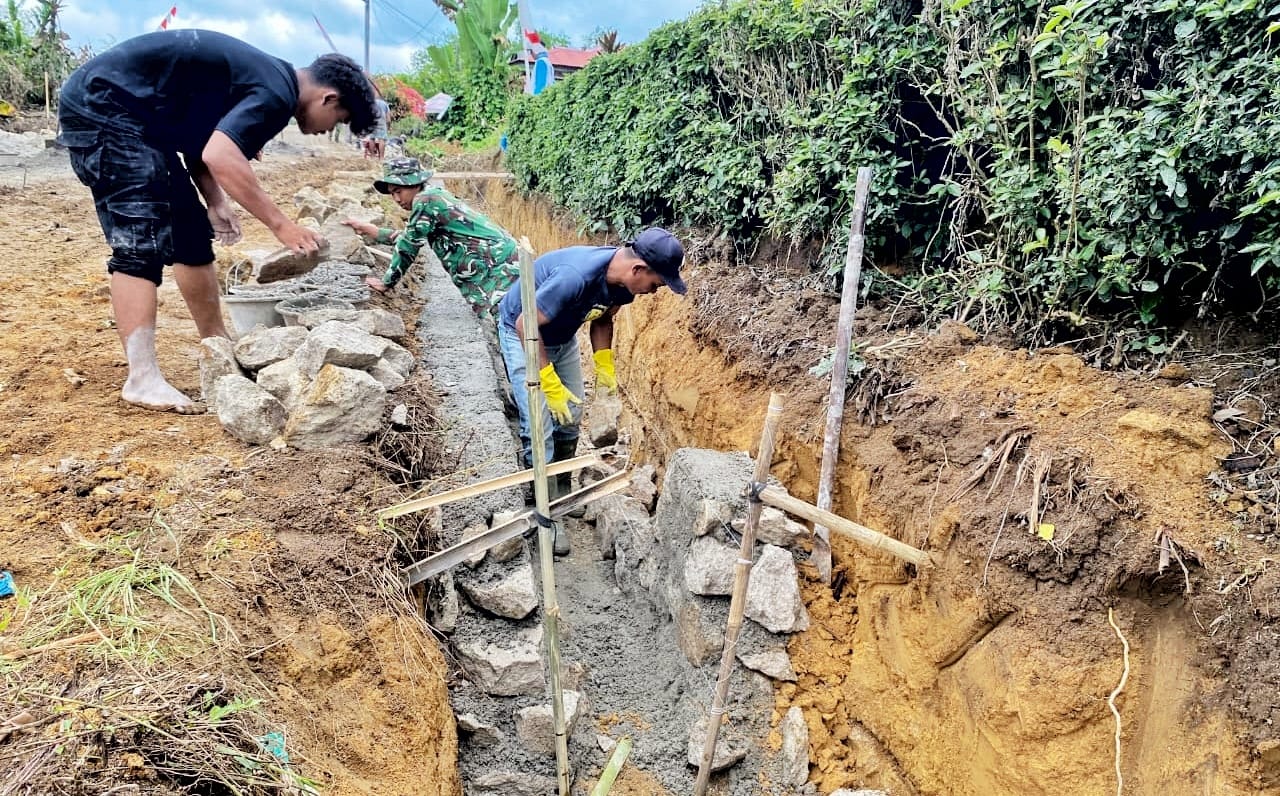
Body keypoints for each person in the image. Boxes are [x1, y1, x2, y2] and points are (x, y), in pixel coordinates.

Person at [58, 29, 377, 413]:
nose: (330, 128)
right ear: (329, 98)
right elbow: (222, 154)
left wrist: (214, 201)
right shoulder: (276, 93)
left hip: (139, 122)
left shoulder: (267, 80)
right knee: (140, 239)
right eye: (339, 118)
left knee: (190, 232)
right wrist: (282, 226)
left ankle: (218, 345)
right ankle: (141, 378)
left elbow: (201, 141)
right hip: (105, 110)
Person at [496, 229, 687, 554]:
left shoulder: (624, 287)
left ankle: (561, 488)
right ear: (637, 270)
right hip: (522, 330)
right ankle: (545, 512)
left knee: (571, 416)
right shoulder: (576, 277)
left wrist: (604, 366)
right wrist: (548, 381)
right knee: (540, 423)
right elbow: (526, 326)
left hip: (559, 335)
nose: (654, 292)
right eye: (656, 284)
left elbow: (602, 320)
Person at [341, 157, 519, 318]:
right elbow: (410, 235)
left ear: (414, 183)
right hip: (501, 262)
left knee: (505, 319)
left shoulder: (425, 201)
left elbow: (408, 245)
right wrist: (373, 231)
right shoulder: (432, 195)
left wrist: (387, 282)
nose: (395, 199)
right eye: (392, 193)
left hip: (497, 267)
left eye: (398, 191)